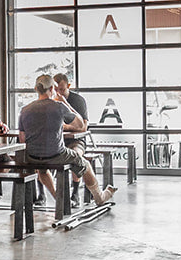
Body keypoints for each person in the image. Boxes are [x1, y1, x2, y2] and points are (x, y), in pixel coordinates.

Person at [18, 74, 115, 210]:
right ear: (52, 88)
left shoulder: (24, 110)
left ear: (36, 89)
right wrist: (65, 103)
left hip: (32, 157)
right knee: (85, 164)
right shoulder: (58, 106)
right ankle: (100, 198)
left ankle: (60, 199)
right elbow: (80, 124)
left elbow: (22, 138)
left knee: (42, 170)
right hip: (56, 155)